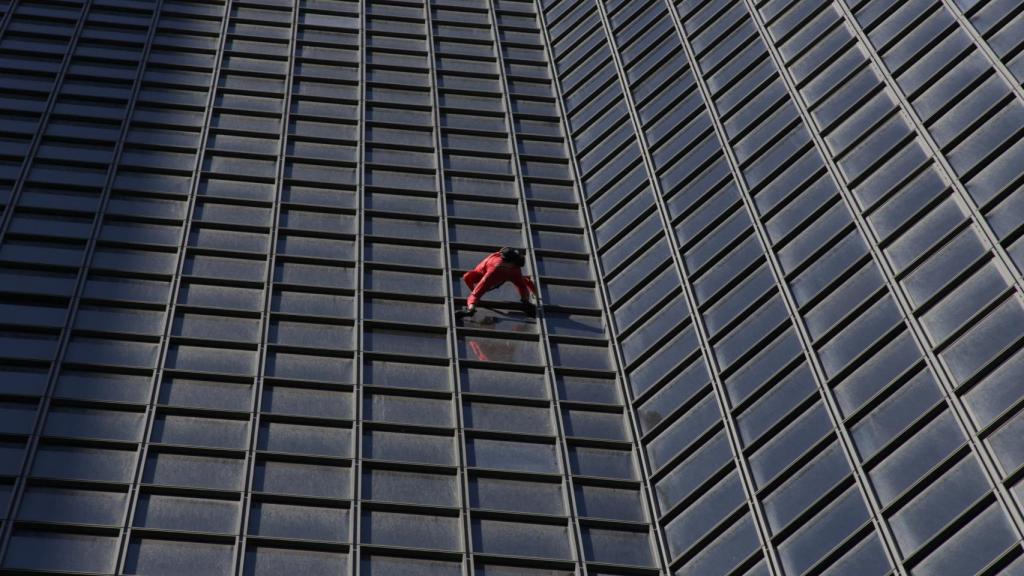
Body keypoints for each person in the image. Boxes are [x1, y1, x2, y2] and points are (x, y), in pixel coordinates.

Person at [456, 247, 538, 319]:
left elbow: (475, 290)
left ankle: (470, 309)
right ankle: (526, 301)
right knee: (522, 284)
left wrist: (473, 290)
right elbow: (523, 284)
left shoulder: (497, 262)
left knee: (474, 293)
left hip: (494, 273)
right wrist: (534, 292)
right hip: (506, 273)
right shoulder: (514, 266)